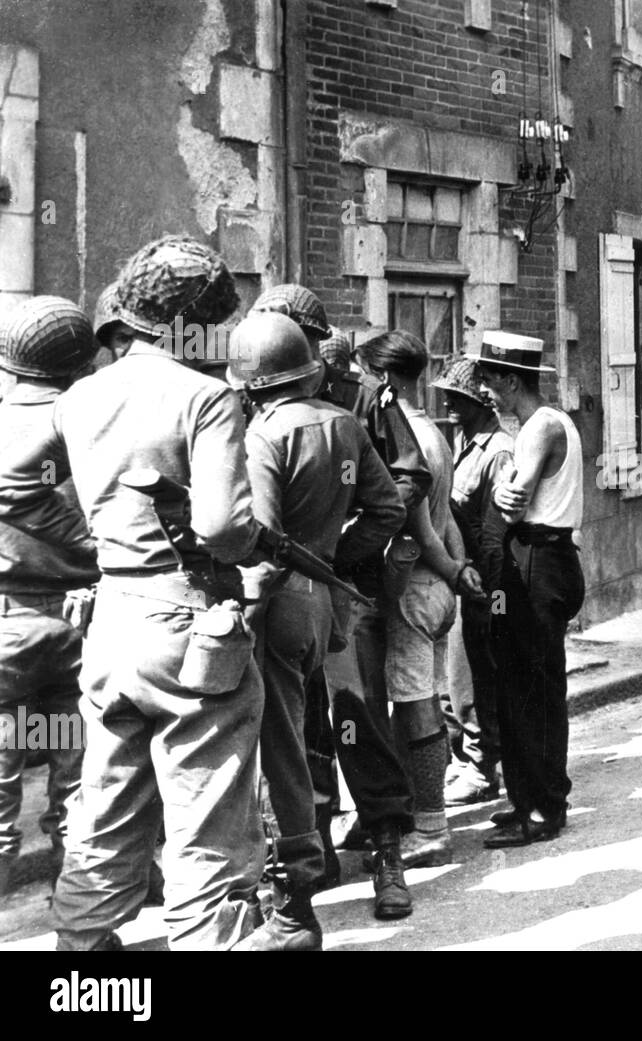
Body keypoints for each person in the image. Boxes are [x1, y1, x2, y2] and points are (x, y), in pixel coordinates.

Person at [0, 237, 266, 950]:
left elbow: (13, 483)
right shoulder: (206, 396)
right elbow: (223, 526)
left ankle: (83, 961)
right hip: (190, 621)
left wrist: (94, 547)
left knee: (106, 802)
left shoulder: (82, 393)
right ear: (195, 321)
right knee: (206, 805)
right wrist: (246, 538)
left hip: (110, 623)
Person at [250, 284, 431, 915]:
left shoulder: (362, 396)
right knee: (298, 728)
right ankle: (315, 847)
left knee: (356, 715)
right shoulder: (265, 396)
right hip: (291, 588)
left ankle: (387, 850)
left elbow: (407, 477)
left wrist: (341, 559)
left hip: (341, 589)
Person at [226, 312, 405, 949]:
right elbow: (387, 509)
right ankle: (348, 859)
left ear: (253, 382)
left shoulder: (263, 436)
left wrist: (244, 605)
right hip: (326, 603)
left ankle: (291, 902)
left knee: (281, 748)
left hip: (279, 608)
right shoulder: (345, 425)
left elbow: (266, 543)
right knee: (326, 730)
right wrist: (335, 563)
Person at [355, 330, 484, 868]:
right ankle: (409, 814)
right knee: (416, 694)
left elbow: (420, 529)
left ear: (383, 376)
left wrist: (451, 569)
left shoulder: (403, 434)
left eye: (365, 372)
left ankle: (430, 826)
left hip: (414, 584)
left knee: (414, 702)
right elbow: (447, 515)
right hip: (430, 586)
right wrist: (457, 573)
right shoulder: (431, 430)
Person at [0, 297, 100, 901]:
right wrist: (95, 548)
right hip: (79, 620)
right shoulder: (91, 417)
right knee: (75, 780)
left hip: (9, 624)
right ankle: (83, 928)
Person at [468, 331, 585, 847]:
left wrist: (498, 487)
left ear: (512, 380)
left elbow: (513, 500)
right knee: (537, 685)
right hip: (550, 559)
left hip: (537, 558)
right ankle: (536, 794)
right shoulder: (556, 421)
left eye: (491, 382)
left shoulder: (538, 427)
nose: (487, 394)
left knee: (528, 688)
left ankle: (540, 809)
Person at [436, 357, 514, 806]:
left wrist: (486, 593)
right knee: (454, 679)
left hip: (482, 582)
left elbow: (495, 530)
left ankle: (482, 768)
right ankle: (466, 761)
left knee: (475, 678)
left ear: (482, 400)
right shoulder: (461, 441)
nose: (447, 399)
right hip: (458, 577)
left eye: (457, 395)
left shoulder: (499, 449)